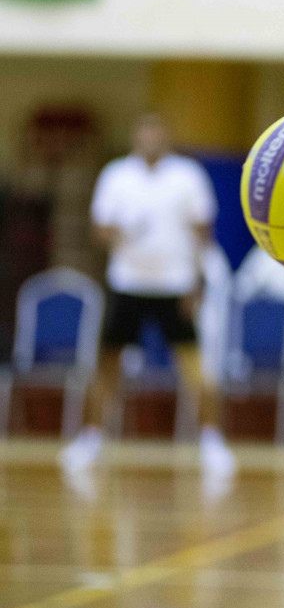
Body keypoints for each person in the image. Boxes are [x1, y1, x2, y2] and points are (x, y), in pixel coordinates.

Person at [64, 114, 235, 475]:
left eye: (158, 134)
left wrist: (199, 282)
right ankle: (91, 438)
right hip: (128, 283)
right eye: (145, 134)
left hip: (175, 284)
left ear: (166, 138)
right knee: (107, 364)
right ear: (136, 138)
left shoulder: (188, 175)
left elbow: (203, 231)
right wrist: (121, 232)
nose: (151, 140)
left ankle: (211, 441)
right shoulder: (116, 175)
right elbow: (100, 230)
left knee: (195, 367)